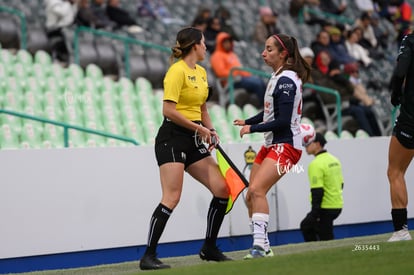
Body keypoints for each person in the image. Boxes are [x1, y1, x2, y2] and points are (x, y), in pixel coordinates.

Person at [139, 27, 231, 270]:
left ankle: (209, 248)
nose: (206, 47)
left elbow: (203, 110)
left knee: (222, 190)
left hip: (194, 138)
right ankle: (148, 256)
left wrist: (211, 131)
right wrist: (199, 129)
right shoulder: (176, 72)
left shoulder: (201, 72)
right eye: (203, 43)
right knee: (172, 197)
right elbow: (168, 110)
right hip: (171, 138)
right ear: (194, 46)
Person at [233, 34, 311, 258]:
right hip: (273, 144)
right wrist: (248, 121)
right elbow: (270, 113)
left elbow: (283, 121)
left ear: (283, 53)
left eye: (268, 49)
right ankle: (263, 246)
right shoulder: (278, 77)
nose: (263, 53)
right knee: (251, 194)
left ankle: (259, 247)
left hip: (287, 146)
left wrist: (252, 129)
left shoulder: (286, 80)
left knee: (257, 191)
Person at [387, 31, 414, 242]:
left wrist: (395, 93)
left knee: (395, 171)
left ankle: (401, 230)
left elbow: (400, 71)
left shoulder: (410, 39)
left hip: (411, 115)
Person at [300, 133, 344, 242]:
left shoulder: (315, 164)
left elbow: (317, 191)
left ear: (318, 144)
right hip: (337, 205)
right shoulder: (335, 160)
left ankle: (313, 253)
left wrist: (315, 212)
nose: (305, 146)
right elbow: (341, 184)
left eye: (308, 143)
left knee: (307, 226)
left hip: (324, 207)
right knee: (320, 231)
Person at [210, 32, 267, 107]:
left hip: (240, 79)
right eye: (225, 42)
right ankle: (263, 107)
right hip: (230, 81)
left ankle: (264, 106)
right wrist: (236, 73)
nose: (228, 44)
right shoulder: (216, 56)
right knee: (257, 84)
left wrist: (245, 74)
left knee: (261, 82)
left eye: (229, 42)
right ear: (220, 43)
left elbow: (240, 68)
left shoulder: (232, 54)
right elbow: (221, 72)